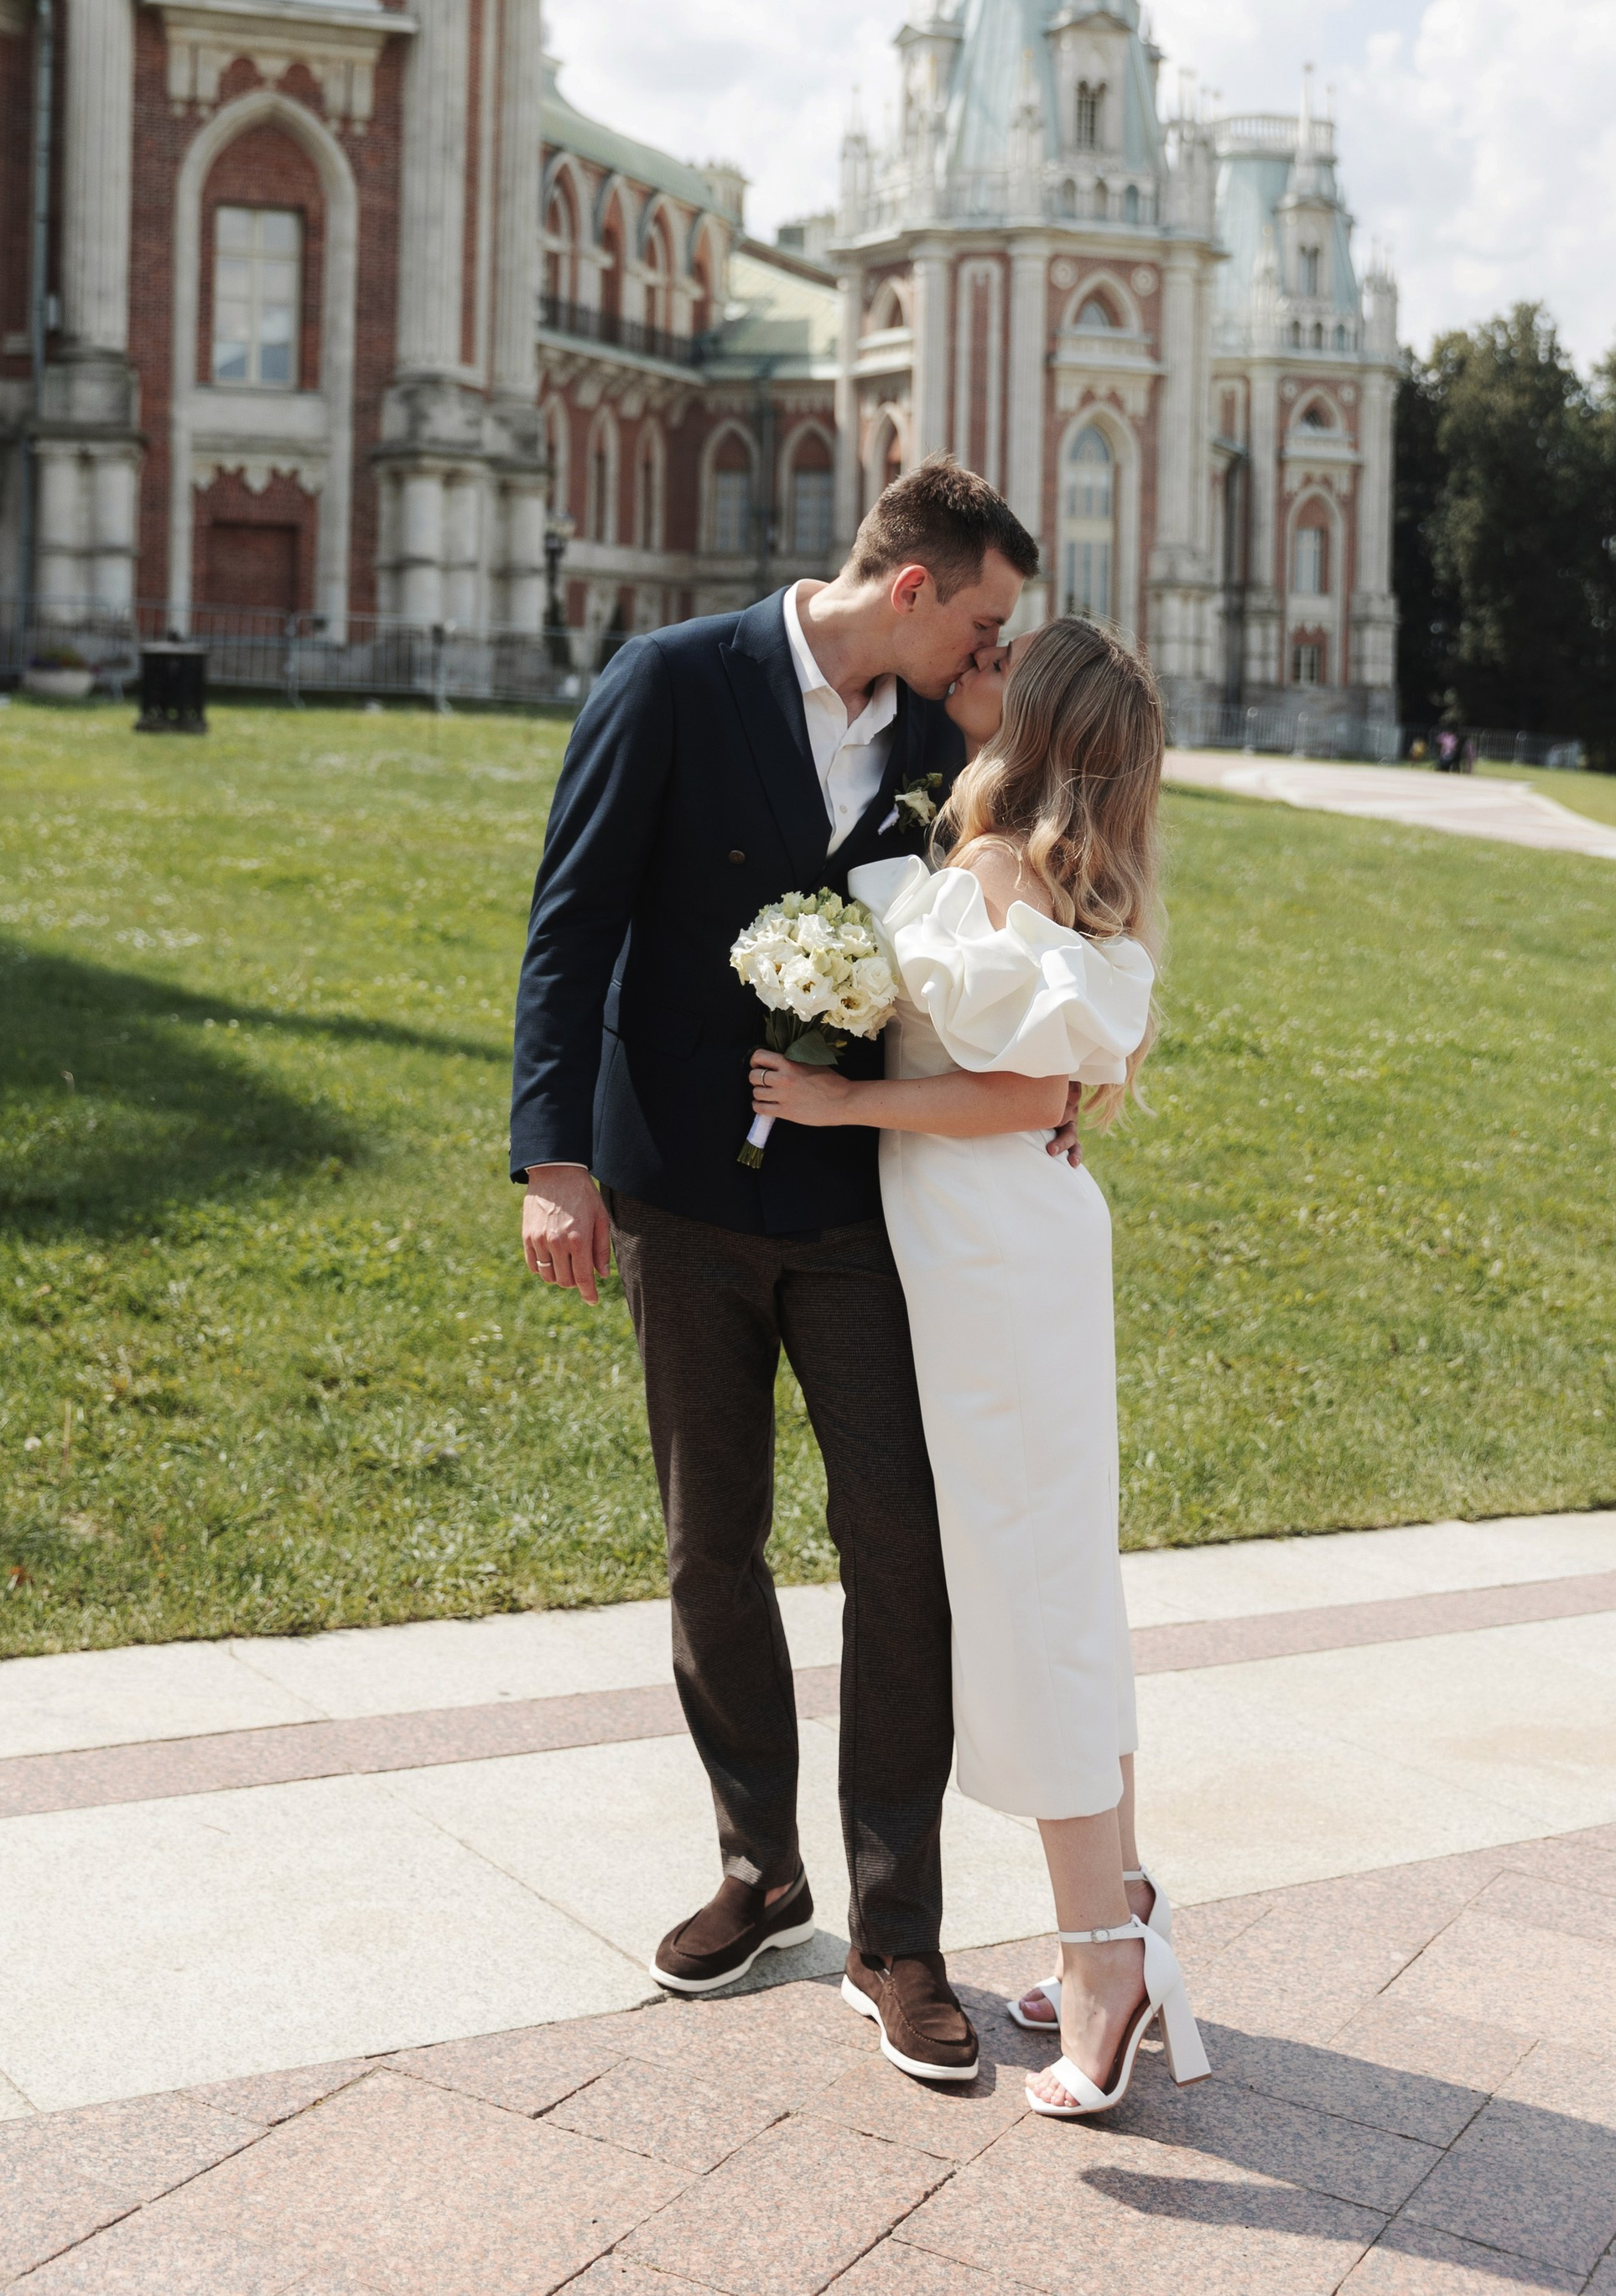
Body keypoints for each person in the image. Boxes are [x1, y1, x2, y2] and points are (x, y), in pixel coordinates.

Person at [511, 460, 1037, 2081]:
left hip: (867, 1202)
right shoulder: (671, 680)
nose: (991, 648)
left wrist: (1042, 1110)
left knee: (900, 1550)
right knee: (707, 1545)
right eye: (985, 620)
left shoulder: (950, 738)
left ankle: (900, 1935)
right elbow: (572, 917)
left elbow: (1011, 932)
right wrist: (552, 1160)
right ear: (910, 591)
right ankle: (761, 1865)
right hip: (677, 1191)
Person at [750, 616, 1210, 2118]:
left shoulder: (997, 878)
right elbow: (1037, 1077)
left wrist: (833, 1106)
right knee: (1057, 1583)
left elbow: (1018, 1089)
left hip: (1001, 1261)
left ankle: (1105, 1972)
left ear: (1035, 720)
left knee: (1032, 1597)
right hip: (1012, 1254)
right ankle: (1121, 1912)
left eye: (1005, 667)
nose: (977, 672)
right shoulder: (1041, 877)